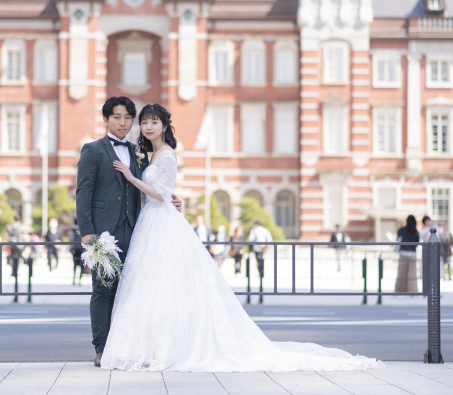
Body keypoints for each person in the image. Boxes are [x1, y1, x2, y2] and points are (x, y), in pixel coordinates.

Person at [100, 103, 380, 372]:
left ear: (164, 126)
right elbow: (162, 191)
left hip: (161, 222)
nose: (148, 126)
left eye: (154, 122)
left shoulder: (168, 154)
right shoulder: (151, 155)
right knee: (153, 287)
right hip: (152, 222)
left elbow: (160, 193)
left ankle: (167, 348)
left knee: (166, 284)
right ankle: (154, 347)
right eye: (145, 122)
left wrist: (130, 177)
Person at [75, 97, 183, 368]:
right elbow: (83, 193)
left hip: (135, 232)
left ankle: (121, 347)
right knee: (103, 290)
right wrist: (88, 233)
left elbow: (152, 184)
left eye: (127, 118)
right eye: (117, 117)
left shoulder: (139, 154)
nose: (122, 122)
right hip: (104, 234)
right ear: (106, 119)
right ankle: (101, 349)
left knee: (129, 292)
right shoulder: (93, 150)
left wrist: (171, 198)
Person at [394, 215, 420, 293]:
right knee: (412, 274)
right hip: (412, 254)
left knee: (401, 273)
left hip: (403, 253)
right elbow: (417, 243)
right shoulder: (415, 231)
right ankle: (412, 291)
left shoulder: (401, 230)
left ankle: (399, 290)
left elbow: (398, 240)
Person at [6, 215, 28, 283]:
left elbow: (6, 235)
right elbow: (25, 236)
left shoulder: (10, 226)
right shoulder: (21, 226)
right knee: (18, 259)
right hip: (20, 245)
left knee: (12, 257)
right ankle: (15, 271)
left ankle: (13, 271)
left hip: (12, 244)